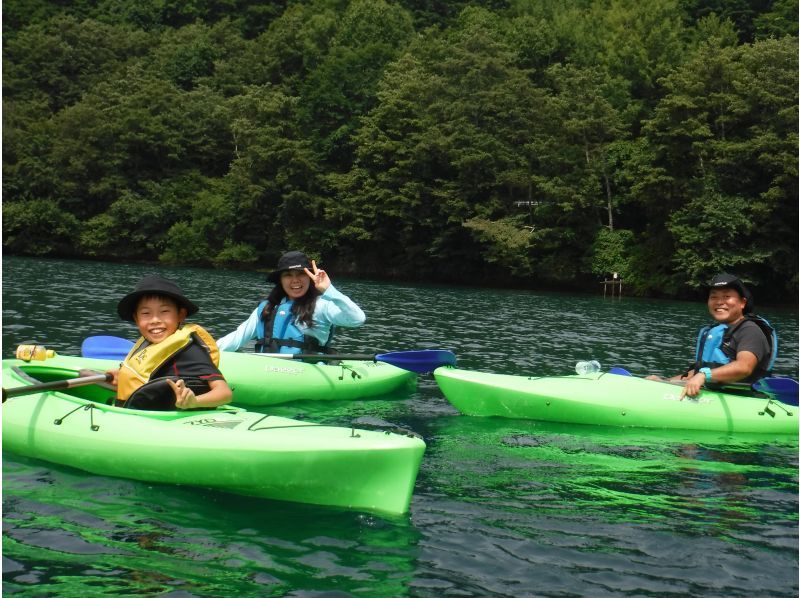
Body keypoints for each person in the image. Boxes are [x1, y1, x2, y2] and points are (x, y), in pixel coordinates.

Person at [105, 276, 232, 410]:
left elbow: (224, 393)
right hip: (138, 410)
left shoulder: (189, 351)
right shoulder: (148, 344)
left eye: (164, 311)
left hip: (166, 418)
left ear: (181, 315)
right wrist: (124, 378)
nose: (155, 320)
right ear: (136, 318)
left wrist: (194, 401)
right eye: (146, 313)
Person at [648, 273, 774, 398]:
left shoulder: (750, 330)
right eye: (714, 297)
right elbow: (699, 372)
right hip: (714, 394)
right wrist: (663, 382)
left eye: (727, 296)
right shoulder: (718, 331)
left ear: (742, 303)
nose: (719, 302)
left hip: (744, 399)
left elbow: (744, 367)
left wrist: (704, 375)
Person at [217, 250, 365, 354]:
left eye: (301, 274)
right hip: (268, 369)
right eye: (288, 275)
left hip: (307, 373)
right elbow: (237, 338)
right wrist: (207, 351)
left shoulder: (322, 305)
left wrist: (329, 290)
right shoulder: (267, 308)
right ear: (280, 280)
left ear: (309, 277)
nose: (295, 280)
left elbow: (357, 319)